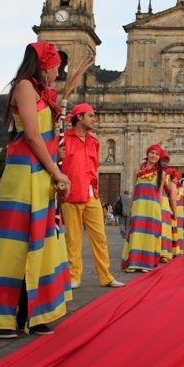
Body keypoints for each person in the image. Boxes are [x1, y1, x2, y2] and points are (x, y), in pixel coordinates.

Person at [0, 41, 72, 338]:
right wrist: (57, 170)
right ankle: (1, 319)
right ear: (45, 63)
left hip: (41, 176)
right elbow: (32, 137)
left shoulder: (45, 94)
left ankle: (33, 313)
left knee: (41, 245)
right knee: (15, 246)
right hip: (24, 174)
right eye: (56, 64)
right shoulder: (24, 87)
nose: (59, 70)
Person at [60, 102, 124, 289]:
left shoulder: (94, 142)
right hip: (71, 194)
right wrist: (57, 155)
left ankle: (106, 276)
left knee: (100, 237)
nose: (94, 119)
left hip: (91, 194)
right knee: (73, 239)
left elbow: (93, 168)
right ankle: (74, 276)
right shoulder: (64, 140)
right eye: (91, 116)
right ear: (79, 117)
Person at [122, 144, 166, 272]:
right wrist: (132, 204)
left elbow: (160, 192)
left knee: (149, 233)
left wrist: (160, 209)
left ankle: (147, 264)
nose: (154, 156)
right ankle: (133, 262)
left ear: (159, 158)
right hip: (139, 205)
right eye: (152, 153)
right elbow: (134, 187)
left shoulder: (161, 173)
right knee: (136, 232)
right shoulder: (138, 169)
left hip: (152, 206)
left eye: (157, 154)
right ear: (147, 154)